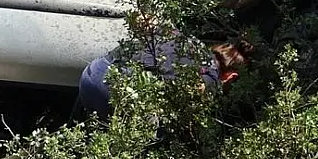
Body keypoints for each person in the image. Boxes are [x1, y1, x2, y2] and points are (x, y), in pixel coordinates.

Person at [76, 30, 252, 120]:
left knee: (79, 125)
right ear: (231, 76)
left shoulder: (186, 39)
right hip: (113, 91)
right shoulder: (209, 78)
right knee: (157, 132)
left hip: (93, 72)